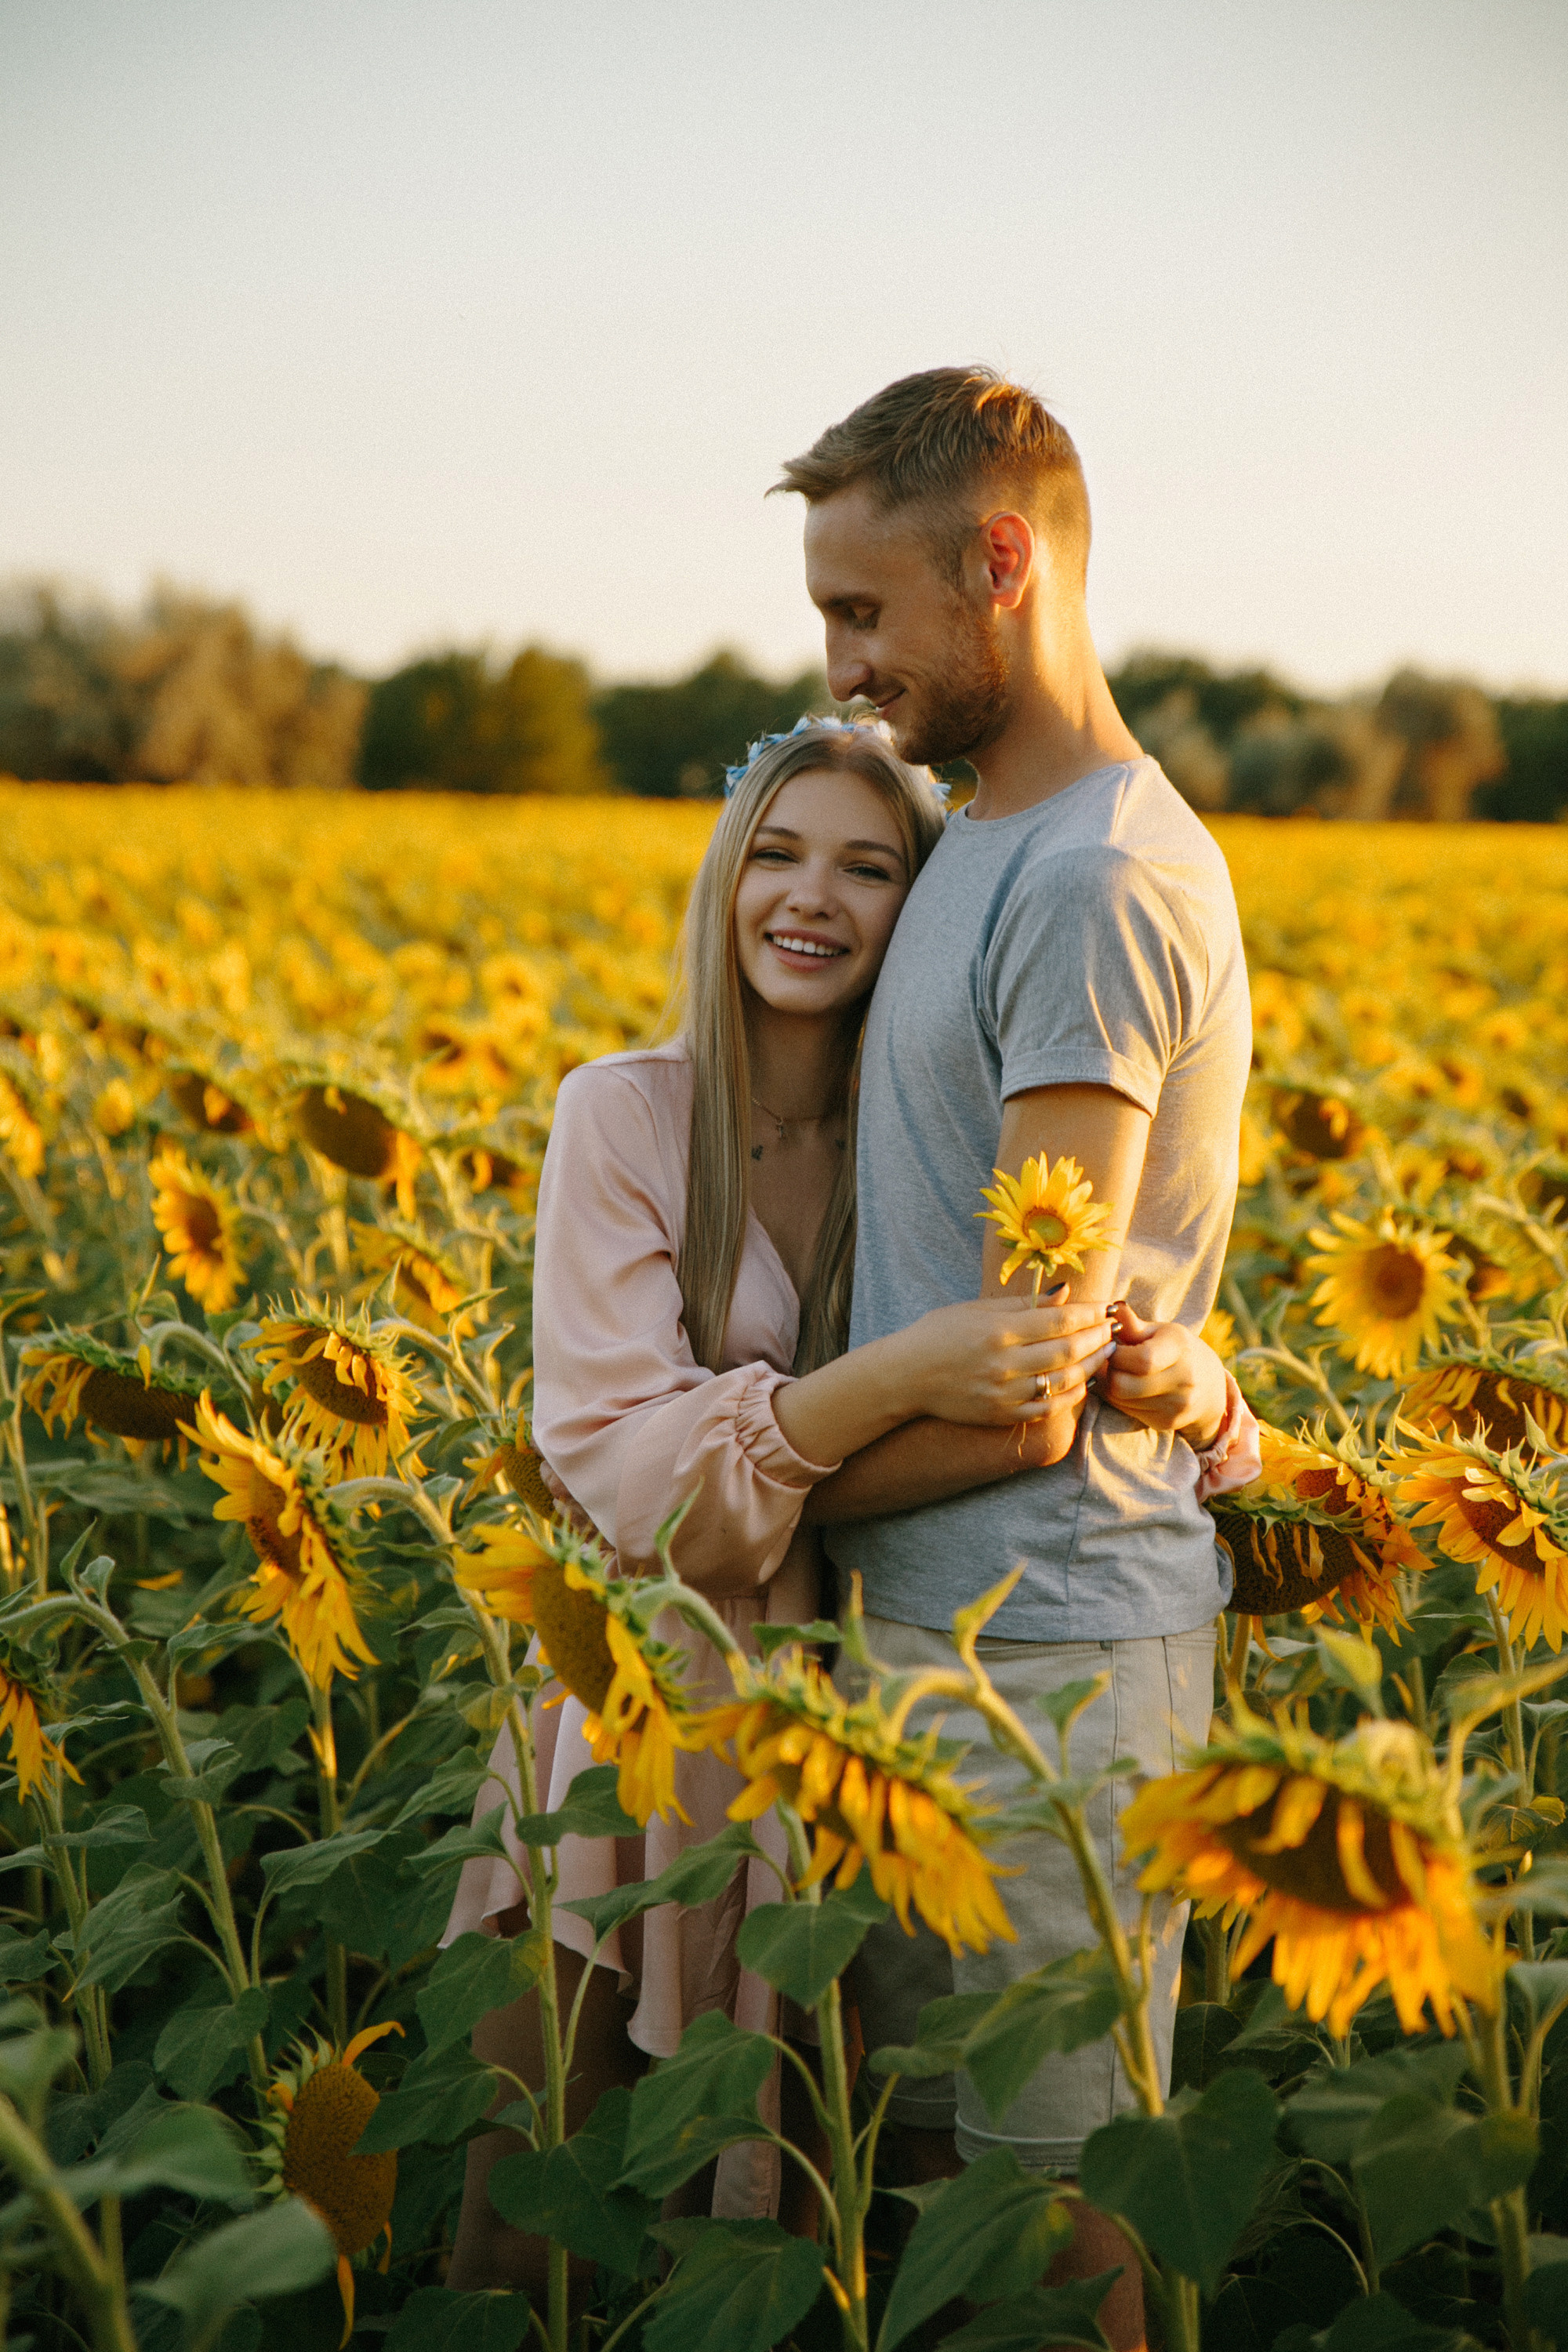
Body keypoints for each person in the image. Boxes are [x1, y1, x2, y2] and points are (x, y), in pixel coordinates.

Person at [444, 717, 1255, 2293]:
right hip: (641, 1722)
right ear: (725, 875)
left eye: (869, 866)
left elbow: (1086, 1341)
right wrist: (897, 1378)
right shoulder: (623, 1114)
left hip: (844, 1735)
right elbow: (617, 1474)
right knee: (529, 2216)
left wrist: (1205, 1392)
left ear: (921, 910)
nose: (809, 898)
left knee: (789, 2229)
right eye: (777, 850)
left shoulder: (932, 1148)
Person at [776, 367, 1257, 2352]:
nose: (837, 663)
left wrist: (752, 1497)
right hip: (941, 1634)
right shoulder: (983, 833)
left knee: (1059, 2235)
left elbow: (1034, 1371)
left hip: (1048, 1650)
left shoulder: (1092, 877)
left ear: (1003, 563)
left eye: (863, 614)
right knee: (928, 2203)